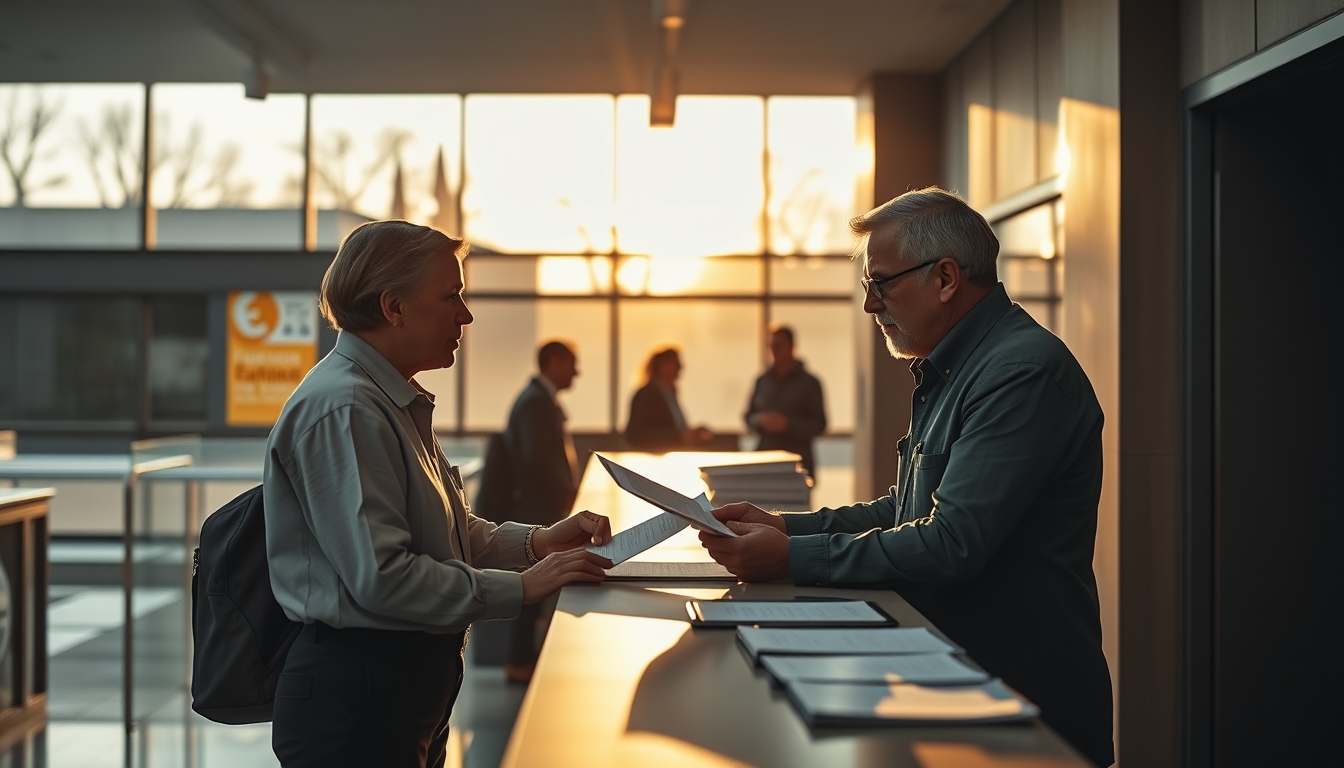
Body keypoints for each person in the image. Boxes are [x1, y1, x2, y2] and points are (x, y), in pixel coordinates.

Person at [699, 188, 1114, 768]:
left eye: (881, 283)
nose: (870, 306)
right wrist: (784, 528)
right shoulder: (954, 365)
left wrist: (791, 559)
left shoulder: (1020, 372)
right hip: (955, 685)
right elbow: (904, 511)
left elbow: (951, 543)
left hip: (1021, 706)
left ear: (945, 277)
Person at [262, 220, 612, 768]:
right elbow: (384, 576)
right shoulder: (347, 408)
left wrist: (538, 543)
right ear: (393, 307)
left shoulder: (387, 399)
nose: (465, 315)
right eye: (451, 297)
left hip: (392, 693)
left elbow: (451, 533)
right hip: (359, 702)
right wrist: (520, 588)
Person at [496, 340, 582, 683]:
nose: (577, 372)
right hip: (534, 512)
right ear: (554, 362)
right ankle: (518, 663)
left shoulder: (539, 400)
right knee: (529, 589)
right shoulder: (536, 403)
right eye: (572, 363)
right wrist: (563, 497)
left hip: (537, 509)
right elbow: (536, 460)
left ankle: (522, 660)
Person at [743, 325, 827, 475]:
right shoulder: (762, 381)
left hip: (798, 465)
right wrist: (760, 420)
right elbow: (748, 417)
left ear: (791, 346)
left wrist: (787, 425)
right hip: (764, 463)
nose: (774, 350)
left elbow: (819, 424)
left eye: (778, 345)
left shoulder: (810, 383)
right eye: (771, 346)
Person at [624, 346, 713, 451]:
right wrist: (679, 437)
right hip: (652, 459)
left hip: (671, 457)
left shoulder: (669, 394)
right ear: (662, 366)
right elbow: (636, 435)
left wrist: (689, 434)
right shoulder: (646, 395)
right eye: (675, 363)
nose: (680, 368)